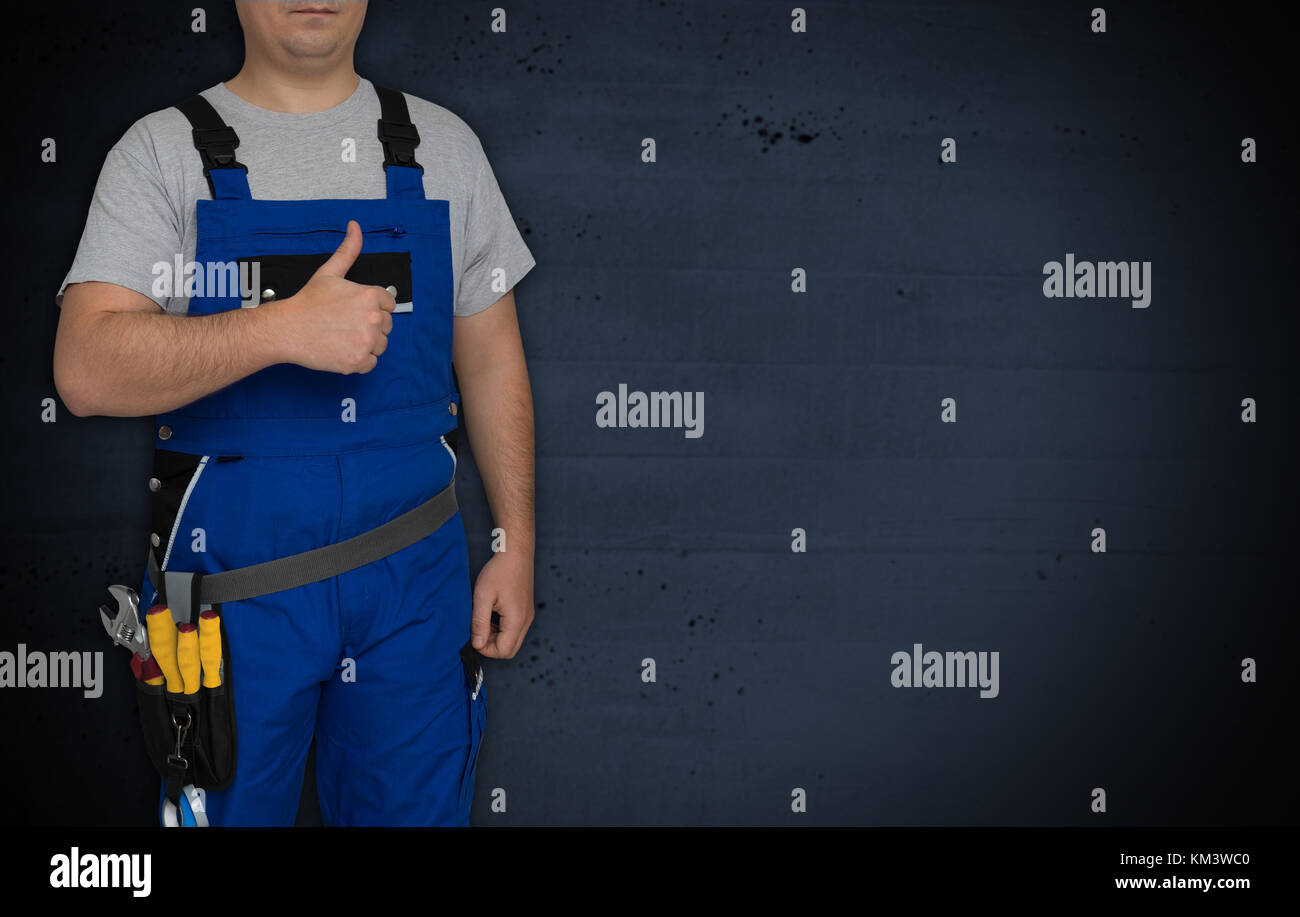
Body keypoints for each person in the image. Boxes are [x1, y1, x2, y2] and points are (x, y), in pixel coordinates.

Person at [51, 0, 536, 826]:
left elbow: (490, 357)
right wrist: (279, 329)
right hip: (233, 601)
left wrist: (515, 542)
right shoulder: (163, 153)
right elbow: (86, 370)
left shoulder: (444, 149)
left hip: (414, 591)